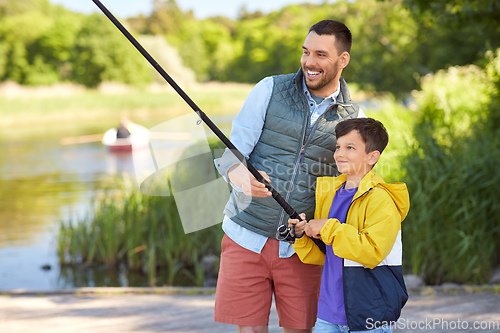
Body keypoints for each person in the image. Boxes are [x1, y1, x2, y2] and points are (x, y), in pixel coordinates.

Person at [214, 20, 367, 333]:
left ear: (343, 60)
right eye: (306, 52)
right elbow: (231, 155)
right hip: (246, 234)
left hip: (304, 248)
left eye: (321, 55)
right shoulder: (268, 89)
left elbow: (352, 191)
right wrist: (243, 178)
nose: (309, 62)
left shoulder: (356, 121)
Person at [288, 118, 410, 333]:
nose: (339, 154)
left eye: (350, 147)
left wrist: (328, 227)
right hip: (328, 314)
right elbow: (327, 254)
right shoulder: (330, 193)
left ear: (373, 157)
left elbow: (372, 251)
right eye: (338, 147)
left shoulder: (381, 199)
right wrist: (302, 235)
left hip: (369, 313)